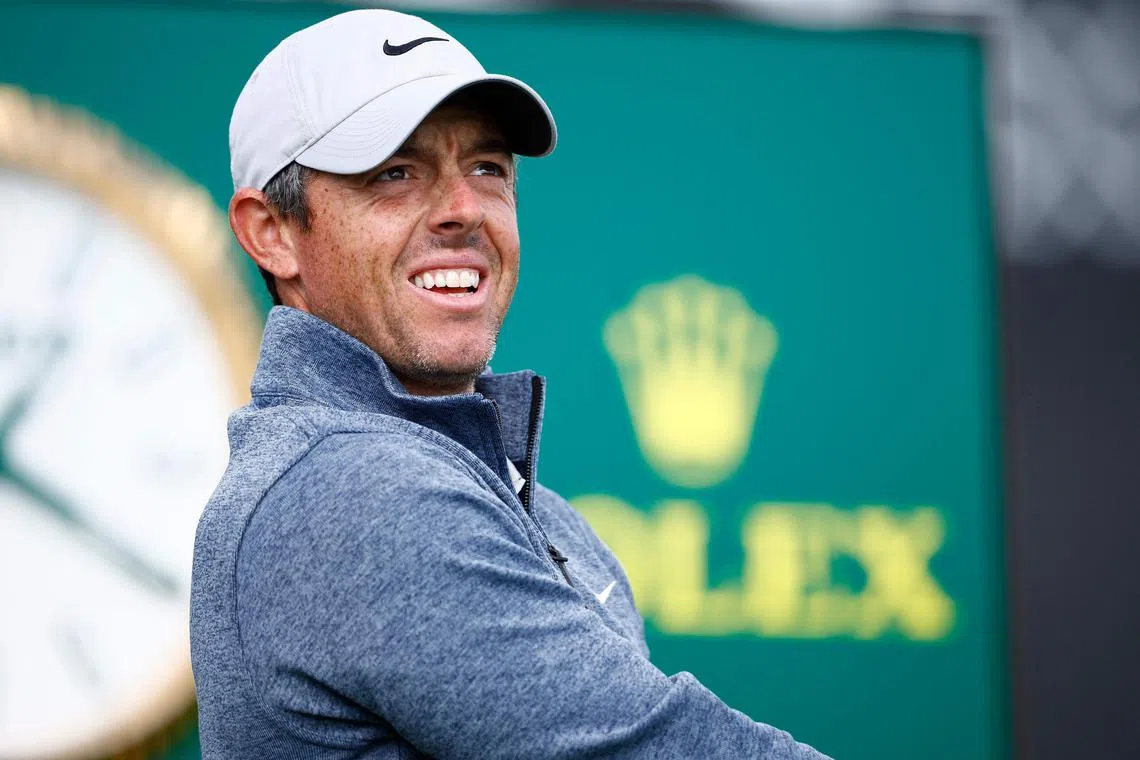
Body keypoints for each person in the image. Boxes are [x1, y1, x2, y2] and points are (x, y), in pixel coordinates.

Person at [190, 9, 830, 759]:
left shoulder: (539, 513)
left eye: (488, 168)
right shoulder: (351, 488)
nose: (463, 210)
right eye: (395, 173)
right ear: (271, 232)